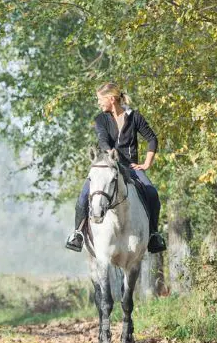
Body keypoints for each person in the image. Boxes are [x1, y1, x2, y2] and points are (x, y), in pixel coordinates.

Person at [65, 83, 167, 254]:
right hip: (108, 166)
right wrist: (109, 151)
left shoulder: (134, 117)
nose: (99, 103)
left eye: (100, 99)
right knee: (83, 196)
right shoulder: (101, 119)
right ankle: (78, 234)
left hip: (131, 167)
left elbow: (152, 139)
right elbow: (102, 139)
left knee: (152, 193)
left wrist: (147, 163)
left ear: (111, 99)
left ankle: (153, 235)